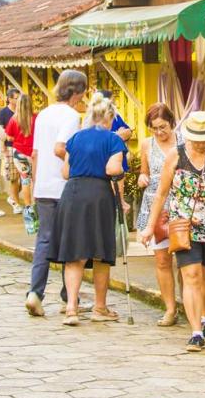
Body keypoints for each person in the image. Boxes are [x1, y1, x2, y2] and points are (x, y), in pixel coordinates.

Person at [140, 111, 205, 352]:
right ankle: (196, 332)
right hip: (184, 227)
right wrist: (150, 227)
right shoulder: (176, 156)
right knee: (192, 276)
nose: (201, 143)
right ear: (188, 136)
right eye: (197, 138)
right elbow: (161, 193)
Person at [49, 94, 128, 326]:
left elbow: (65, 172)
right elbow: (112, 168)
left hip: (73, 194)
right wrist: (121, 173)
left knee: (75, 253)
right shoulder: (113, 140)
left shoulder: (75, 139)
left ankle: (71, 308)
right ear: (109, 117)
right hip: (99, 195)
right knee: (101, 253)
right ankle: (99, 307)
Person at [25, 69, 87, 317]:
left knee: (45, 240)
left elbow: (36, 152)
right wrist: (79, 160)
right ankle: (67, 296)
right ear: (77, 92)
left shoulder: (43, 115)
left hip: (43, 186)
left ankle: (35, 292)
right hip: (64, 185)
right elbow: (59, 148)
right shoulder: (71, 116)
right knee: (70, 241)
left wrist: (35, 183)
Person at [136, 103, 180, 327]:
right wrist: (142, 178)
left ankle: (190, 303)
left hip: (181, 207)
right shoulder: (147, 144)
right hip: (155, 206)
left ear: (172, 123)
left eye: (163, 127)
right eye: (154, 128)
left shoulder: (184, 141)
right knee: (162, 260)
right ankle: (170, 308)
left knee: (185, 260)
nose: (159, 133)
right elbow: (144, 172)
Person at [4, 92, 36, 211]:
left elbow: (8, 137)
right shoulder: (36, 118)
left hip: (19, 153)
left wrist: (18, 137)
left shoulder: (14, 119)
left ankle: (28, 208)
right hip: (33, 154)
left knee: (25, 180)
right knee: (34, 180)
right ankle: (35, 205)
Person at [0, 88, 23, 211]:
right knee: (14, 177)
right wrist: (3, 148)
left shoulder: (22, 111)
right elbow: (1, 132)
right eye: (15, 98)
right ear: (9, 99)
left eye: (19, 98)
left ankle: (13, 197)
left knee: (24, 177)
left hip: (22, 146)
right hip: (9, 146)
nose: (18, 100)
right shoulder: (3, 113)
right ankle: (16, 203)